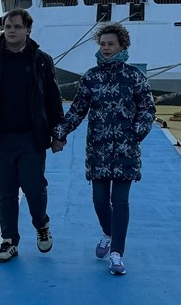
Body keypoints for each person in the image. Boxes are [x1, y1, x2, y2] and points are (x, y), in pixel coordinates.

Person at [51, 22, 156, 276]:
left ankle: (117, 253)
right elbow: (77, 110)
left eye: (111, 44)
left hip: (125, 149)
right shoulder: (90, 77)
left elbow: (147, 109)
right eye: (103, 44)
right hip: (98, 148)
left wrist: (135, 134)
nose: (106, 48)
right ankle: (108, 233)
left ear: (122, 46)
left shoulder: (134, 76)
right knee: (99, 200)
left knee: (120, 202)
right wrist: (59, 133)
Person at [0, 9, 65, 262]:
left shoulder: (41, 60)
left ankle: (41, 224)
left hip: (31, 139)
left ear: (28, 30)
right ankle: (9, 240)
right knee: (5, 192)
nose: (11, 31)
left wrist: (58, 134)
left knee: (35, 188)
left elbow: (53, 100)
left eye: (17, 27)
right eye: (8, 26)